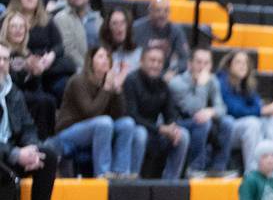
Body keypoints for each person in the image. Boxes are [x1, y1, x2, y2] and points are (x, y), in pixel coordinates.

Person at [53, 45, 144, 177]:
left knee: (127, 123)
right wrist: (106, 88)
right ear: (91, 61)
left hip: (99, 128)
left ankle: (122, 172)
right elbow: (90, 112)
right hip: (70, 131)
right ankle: (103, 173)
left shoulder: (108, 81)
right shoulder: (78, 81)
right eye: (101, 57)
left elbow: (118, 115)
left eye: (108, 57)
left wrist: (117, 90)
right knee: (104, 123)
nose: (105, 60)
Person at [0, 41, 59, 200]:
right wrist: (15, 154)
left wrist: (31, 148)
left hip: (10, 154)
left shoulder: (13, 92)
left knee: (46, 156)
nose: (1, 64)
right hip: (5, 154)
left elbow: (28, 126)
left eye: (5, 59)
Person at [125, 43, 189, 179]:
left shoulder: (163, 84)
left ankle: (171, 182)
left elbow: (170, 113)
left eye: (159, 61)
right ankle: (132, 179)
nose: (156, 65)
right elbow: (132, 116)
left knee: (182, 135)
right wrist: (160, 129)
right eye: (152, 60)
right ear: (142, 61)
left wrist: (172, 127)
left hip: (155, 131)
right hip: (134, 130)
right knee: (140, 134)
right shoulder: (130, 81)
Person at [217, 49, 273, 173]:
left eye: (245, 63)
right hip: (225, 131)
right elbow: (233, 110)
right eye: (238, 62)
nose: (243, 66)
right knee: (252, 123)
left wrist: (270, 108)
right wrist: (264, 109)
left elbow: (257, 104)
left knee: (269, 118)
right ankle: (252, 172)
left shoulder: (246, 84)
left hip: (243, 130)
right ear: (229, 65)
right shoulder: (221, 82)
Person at [168, 48, 234, 175]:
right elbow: (194, 109)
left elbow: (222, 108)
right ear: (190, 64)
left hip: (201, 121)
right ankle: (194, 168)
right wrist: (201, 85)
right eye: (199, 62)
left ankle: (219, 167)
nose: (202, 67)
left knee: (228, 122)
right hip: (179, 123)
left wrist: (211, 112)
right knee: (203, 123)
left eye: (206, 63)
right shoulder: (177, 83)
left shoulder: (212, 80)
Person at [7, 0, 73, 103]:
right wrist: (30, 61)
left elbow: (59, 46)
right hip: (22, 71)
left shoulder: (47, 20)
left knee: (67, 85)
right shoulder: (9, 20)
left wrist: (51, 56)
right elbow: (6, 46)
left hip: (48, 69)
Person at [3, 10, 56, 139]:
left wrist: (35, 73)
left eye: (21, 27)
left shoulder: (27, 52)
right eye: (14, 27)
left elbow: (35, 87)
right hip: (8, 95)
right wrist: (25, 71)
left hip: (24, 93)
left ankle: (46, 140)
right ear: (6, 30)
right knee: (41, 101)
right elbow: (9, 81)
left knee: (49, 100)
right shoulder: (3, 50)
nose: (18, 30)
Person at [133, 0, 189, 78]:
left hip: (167, 73)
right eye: (158, 10)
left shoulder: (176, 31)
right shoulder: (137, 28)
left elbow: (184, 59)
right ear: (150, 11)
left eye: (166, 11)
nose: (162, 15)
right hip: (141, 72)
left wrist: (173, 71)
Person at [53, 0, 100, 70]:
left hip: (97, 67)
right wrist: (87, 70)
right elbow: (69, 50)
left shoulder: (98, 18)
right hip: (75, 69)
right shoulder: (61, 18)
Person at [100, 7, 142, 79]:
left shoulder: (139, 53)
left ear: (128, 26)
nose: (119, 27)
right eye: (114, 23)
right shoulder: (101, 54)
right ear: (108, 28)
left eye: (123, 22)